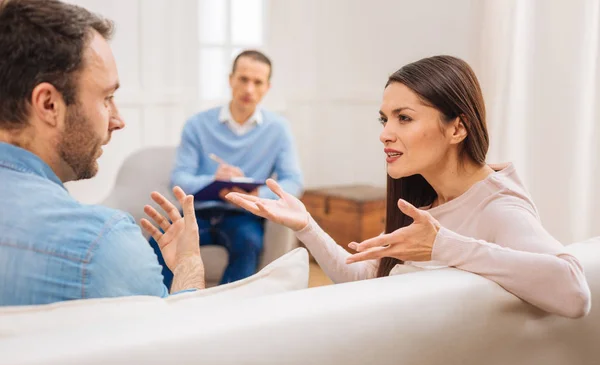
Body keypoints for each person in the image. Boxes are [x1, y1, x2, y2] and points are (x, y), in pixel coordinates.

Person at [226, 55, 591, 319]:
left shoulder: (497, 206)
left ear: (457, 129)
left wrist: (443, 246)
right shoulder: (425, 201)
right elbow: (367, 278)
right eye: (385, 119)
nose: (385, 134)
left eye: (404, 118)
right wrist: (306, 225)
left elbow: (574, 291)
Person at [0, 0, 204, 306]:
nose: (118, 120)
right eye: (106, 98)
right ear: (49, 105)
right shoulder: (101, 246)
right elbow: (183, 346)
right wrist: (189, 265)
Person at [151, 50, 303, 287]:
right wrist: (214, 181)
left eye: (257, 82)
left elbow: (293, 181)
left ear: (267, 88)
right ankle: (166, 302)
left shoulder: (279, 129)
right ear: (231, 79)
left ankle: (228, 311)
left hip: (243, 215)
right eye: (243, 79)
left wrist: (256, 195)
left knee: (249, 241)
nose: (249, 89)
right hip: (197, 213)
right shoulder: (197, 124)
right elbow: (179, 179)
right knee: (163, 237)